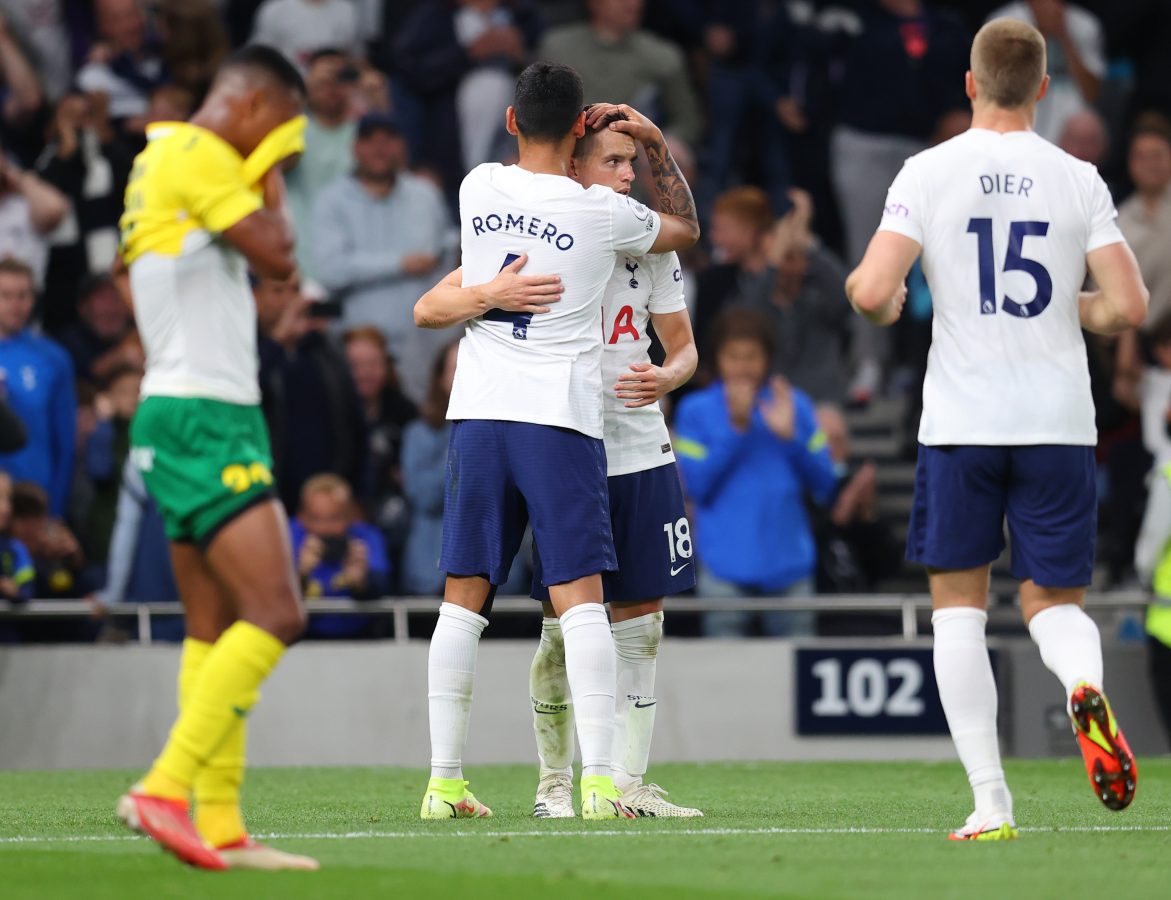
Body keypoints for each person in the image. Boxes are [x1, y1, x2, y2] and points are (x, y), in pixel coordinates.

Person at [845, 19, 1149, 840]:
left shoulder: (928, 170)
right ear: (1043, 90)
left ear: (970, 83)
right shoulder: (1077, 175)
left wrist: (868, 286)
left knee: (956, 614)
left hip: (962, 421)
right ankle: (1081, 684)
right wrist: (1066, 304)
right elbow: (1126, 308)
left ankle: (990, 801)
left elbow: (875, 291)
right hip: (1054, 419)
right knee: (1051, 600)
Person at [411, 62, 700, 820]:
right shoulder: (600, 216)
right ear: (579, 132)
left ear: (510, 123)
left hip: (476, 414)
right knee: (581, 605)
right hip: (557, 420)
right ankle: (599, 782)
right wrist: (659, 148)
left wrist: (487, 294)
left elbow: (430, 305)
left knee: (460, 604)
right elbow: (685, 229)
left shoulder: (478, 189)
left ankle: (443, 783)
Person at [113, 45, 318, 871]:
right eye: (280, 135)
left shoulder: (165, 162)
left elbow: (262, 276)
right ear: (256, 108)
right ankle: (162, 788)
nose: (277, 159)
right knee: (278, 613)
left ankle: (221, 824)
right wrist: (272, 163)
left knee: (213, 628)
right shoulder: (194, 152)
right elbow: (280, 256)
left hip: (181, 408)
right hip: (207, 415)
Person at [674, 308, 837, 638]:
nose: (743, 366)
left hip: (790, 571)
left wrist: (793, 440)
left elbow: (827, 486)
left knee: (796, 685)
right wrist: (736, 429)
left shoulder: (795, 406)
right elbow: (695, 488)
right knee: (725, 683)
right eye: (733, 356)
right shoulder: (694, 411)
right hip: (723, 572)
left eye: (752, 356)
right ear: (717, 359)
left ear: (767, 358)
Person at [313, 113, 454, 404]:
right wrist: (400, 263)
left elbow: (448, 252)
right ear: (355, 147)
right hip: (361, 352)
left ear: (402, 146)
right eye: (370, 140)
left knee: (426, 432)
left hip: (423, 349)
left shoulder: (425, 195)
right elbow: (330, 270)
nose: (380, 148)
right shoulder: (332, 200)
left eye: (388, 140)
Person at [255, 274, 367, 511]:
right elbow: (250, 389)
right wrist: (277, 340)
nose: (290, 301)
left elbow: (355, 425)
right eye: (278, 291)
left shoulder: (324, 351)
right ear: (255, 297)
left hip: (328, 505)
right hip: (268, 498)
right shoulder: (245, 349)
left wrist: (360, 496)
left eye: (295, 290)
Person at [537, 1, 701, 145]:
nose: (634, 4)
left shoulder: (663, 56)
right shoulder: (557, 48)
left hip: (633, 159)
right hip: (567, 154)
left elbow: (687, 121)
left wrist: (662, 141)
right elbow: (531, 108)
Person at [0, 258, 75, 518]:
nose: (15, 305)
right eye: (6, 295)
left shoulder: (53, 358)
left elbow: (65, 443)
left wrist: (56, 513)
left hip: (35, 501)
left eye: (23, 295)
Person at [985, 0, 1105, 143]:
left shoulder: (1086, 24)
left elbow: (1091, 93)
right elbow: (1002, 89)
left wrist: (1063, 35)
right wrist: (1039, 33)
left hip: (1072, 122)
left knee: (1085, 129)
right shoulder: (1003, 22)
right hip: (1019, 110)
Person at [343, 326, 417, 554]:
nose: (365, 373)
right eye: (355, 365)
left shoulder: (405, 413)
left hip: (397, 520)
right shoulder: (330, 414)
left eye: (373, 364)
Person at [291, 473, 390, 638]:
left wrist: (363, 582)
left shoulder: (366, 537)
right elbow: (268, 595)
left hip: (360, 638)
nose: (325, 528)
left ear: (350, 515)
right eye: (315, 518)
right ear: (301, 516)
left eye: (334, 518)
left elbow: (385, 588)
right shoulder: (286, 536)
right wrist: (299, 574)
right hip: (303, 638)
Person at [400, 340, 458, 596]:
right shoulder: (419, 433)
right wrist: (460, 450)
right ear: (441, 377)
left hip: (500, 579)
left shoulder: (511, 433)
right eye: (456, 369)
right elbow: (423, 496)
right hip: (430, 574)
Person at [251, 0, 361, 69]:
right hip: (287, 89)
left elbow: (356, 59)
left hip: (333, 95)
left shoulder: (347, 10)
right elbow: (259, 58)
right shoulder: (274, 9)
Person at [0, 471, 34, 603]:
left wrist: (13, 591)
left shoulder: (15, 548)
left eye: (8, 499)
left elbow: (27, 590)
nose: (7, 508)